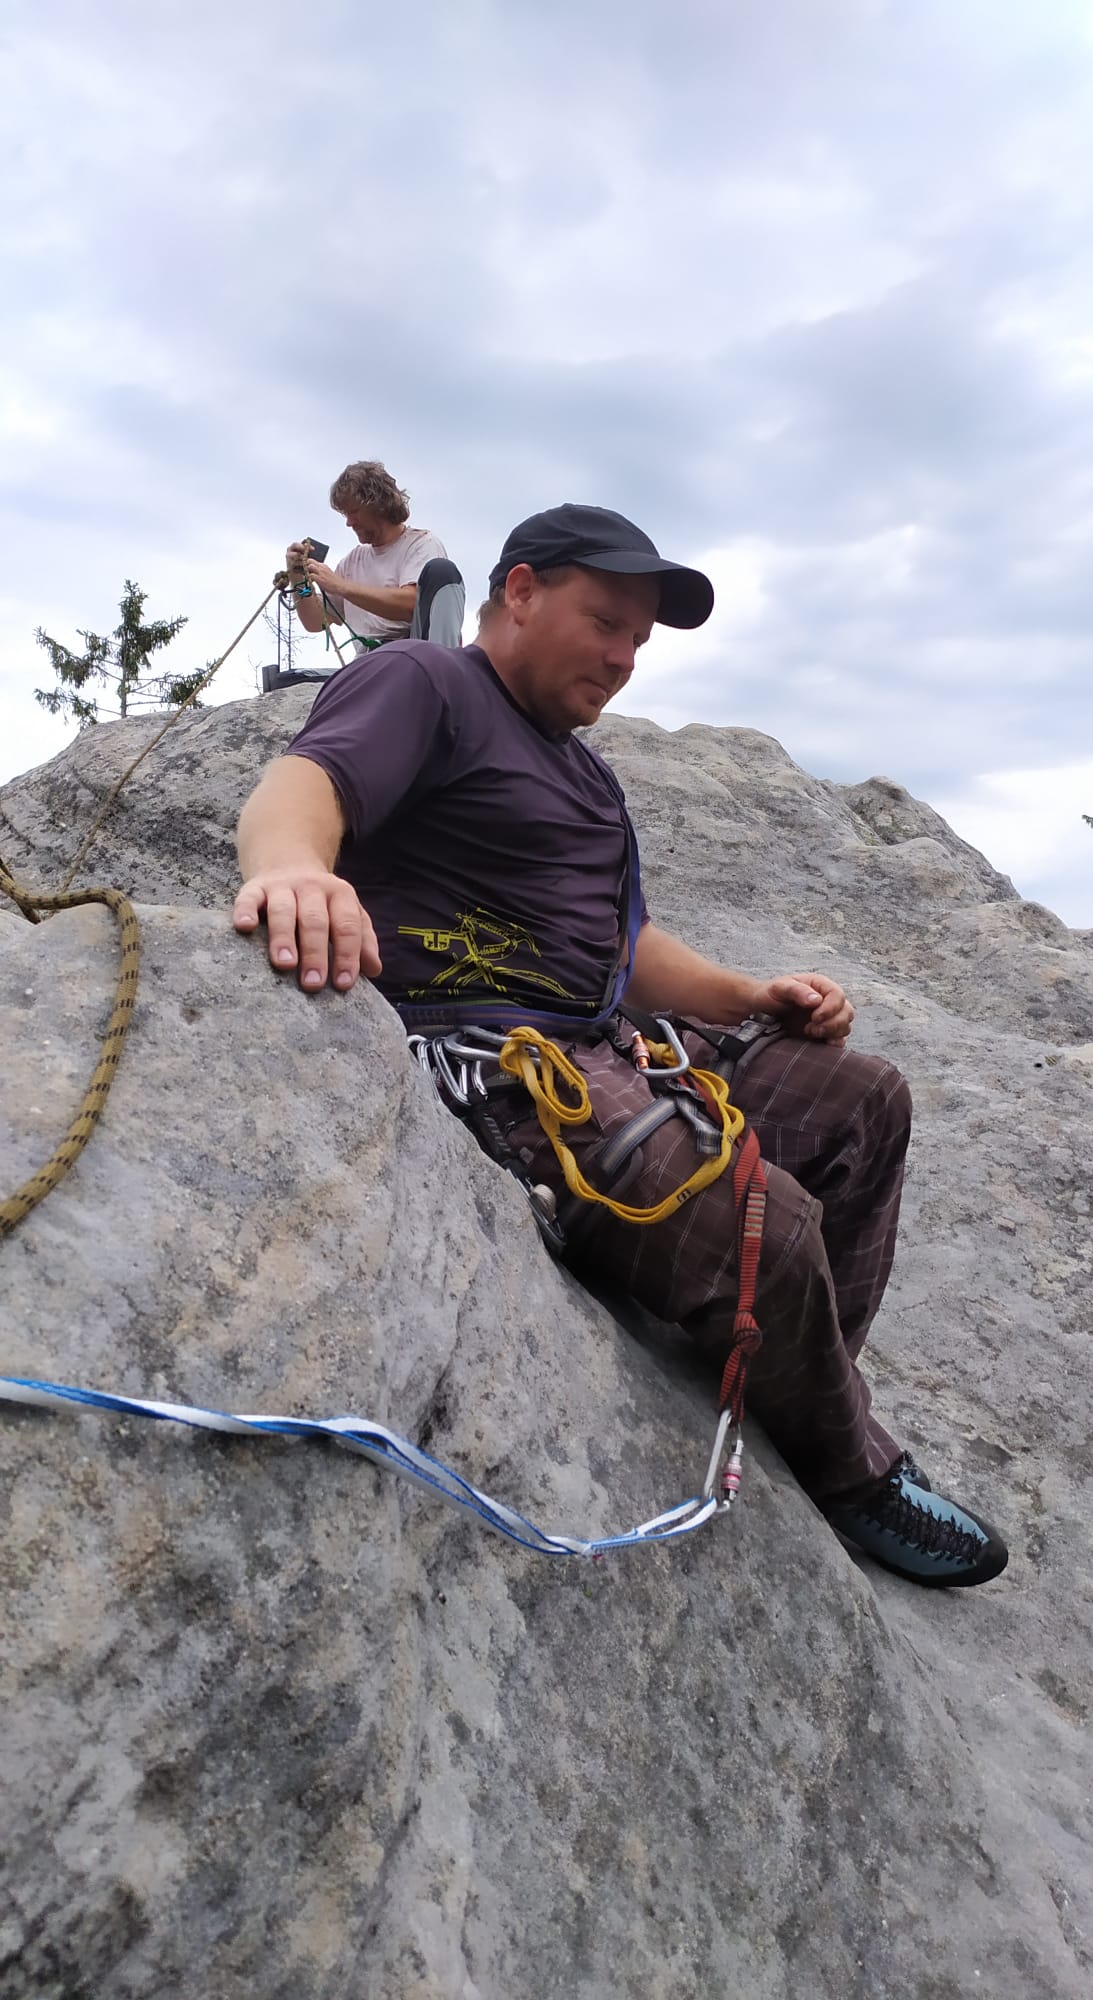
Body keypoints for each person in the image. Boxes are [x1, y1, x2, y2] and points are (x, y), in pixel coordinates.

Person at [234, 502, 1008, 1590]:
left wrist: (749, 994)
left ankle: (798, 1381)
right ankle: (848, 1469)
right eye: (605, 623)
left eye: (638, 641)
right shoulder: (427, 682)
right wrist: (293, 869)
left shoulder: (586, 774)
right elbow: (307, 781)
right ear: (519, 591)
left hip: (616, 1036)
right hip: (500, 1060)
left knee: (864, 1100)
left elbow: (625, 944)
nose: (623, 658)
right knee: (765, 1224)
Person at [285, 460, 449, 649]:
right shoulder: (351, 564)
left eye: (354, 511)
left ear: (379, 505)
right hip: (367, 663)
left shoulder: (422, 545)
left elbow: (411, 605)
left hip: (412, 657)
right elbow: (315, 621)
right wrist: (299, 580)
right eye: (345, 514)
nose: (349, 522)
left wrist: (341, 586)